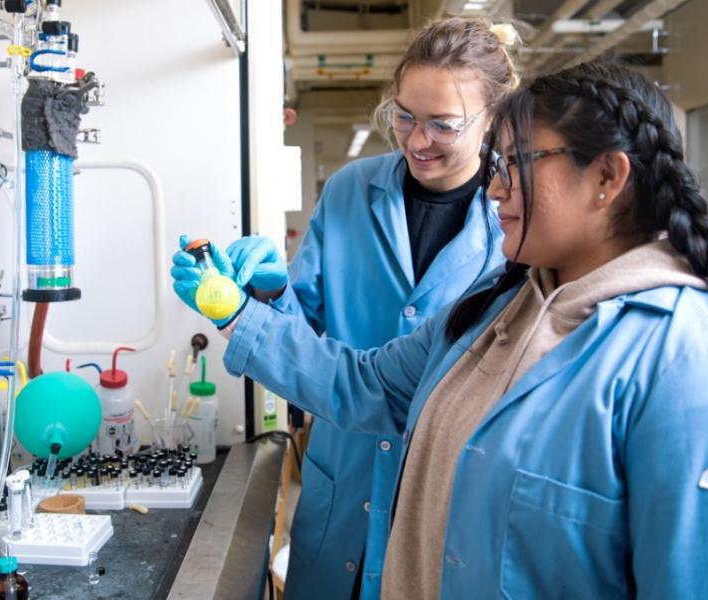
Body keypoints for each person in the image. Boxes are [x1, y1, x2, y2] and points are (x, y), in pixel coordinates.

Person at [174, 60, 708, 598]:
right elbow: (361, 383)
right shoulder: (494, 313)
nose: (494, 189)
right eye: (496, 165)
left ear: (607, 178)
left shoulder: (697, 373)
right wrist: (240, 313)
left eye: (514, 164)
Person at [171, 17, 518, 600]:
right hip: (342, 488)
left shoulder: (512, 226)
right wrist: (268, 294)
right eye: (404, 116)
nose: (415, 140)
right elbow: (303, 338)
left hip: (440, 504)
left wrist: (240, 317)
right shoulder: (350, 191)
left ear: (493, 121)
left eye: (443, 125)